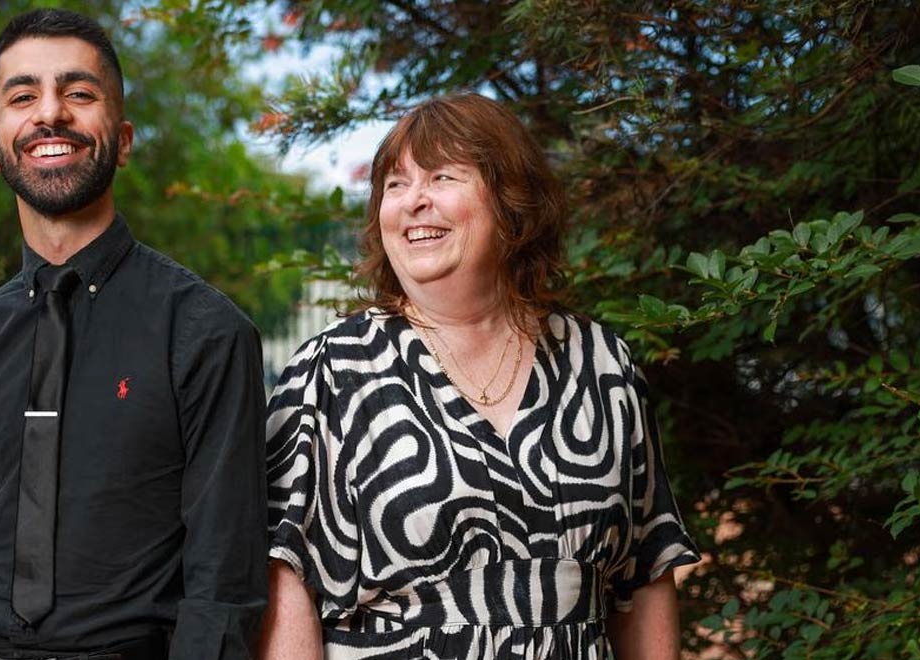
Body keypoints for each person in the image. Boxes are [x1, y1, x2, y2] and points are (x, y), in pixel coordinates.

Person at [0, 9, 267, 660]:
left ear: (122, 137)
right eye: (23, 96)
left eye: (79, 93)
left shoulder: (207, 333)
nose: (50, 114)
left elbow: (222, 588)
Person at [257, 93, 700, 659]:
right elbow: (284, 578)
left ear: (512, 200)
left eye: (441, 176)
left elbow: (647, 571)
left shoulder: (602, 364)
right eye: (395, 184)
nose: (414, 201)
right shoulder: (332, 372)